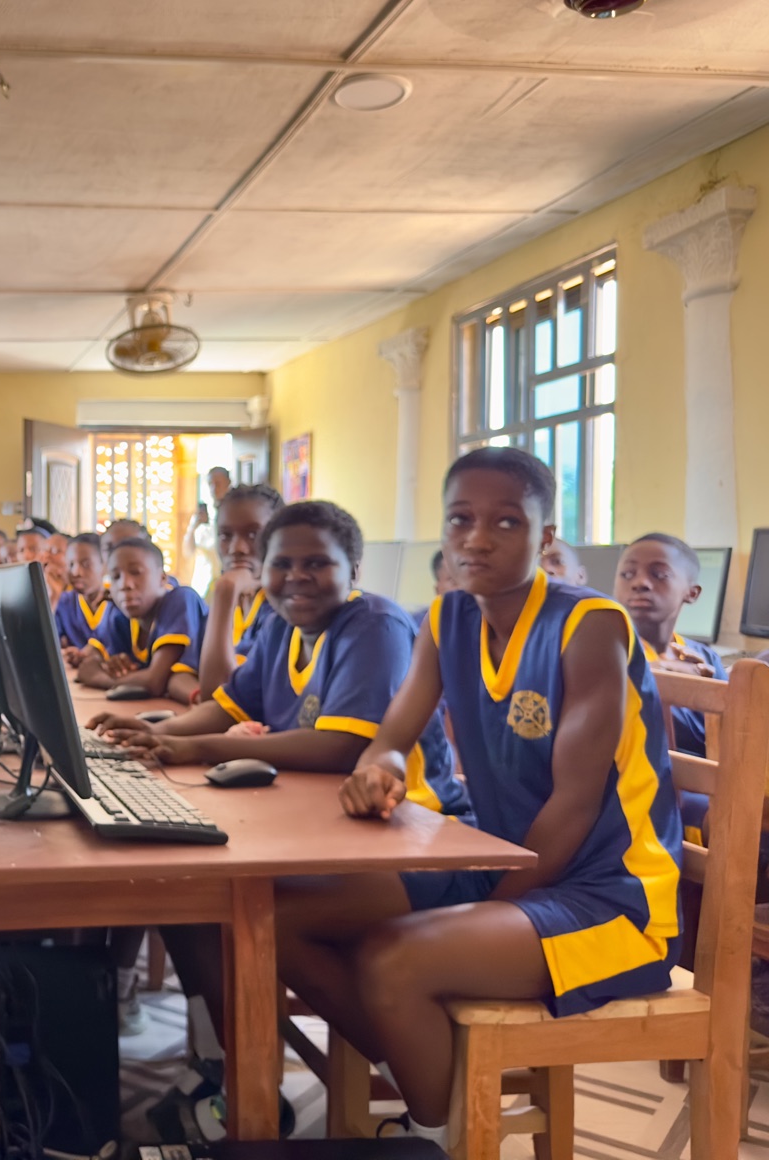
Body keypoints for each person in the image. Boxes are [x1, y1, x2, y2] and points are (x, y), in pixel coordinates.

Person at [281, 449, 681, 1147]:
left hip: (611, 899)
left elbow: (574, 807)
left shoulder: (590, 626)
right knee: (282, 919)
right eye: (460, 519)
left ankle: (436, 1136)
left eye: (505, 521)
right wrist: (379, 770)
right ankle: (437, 1077)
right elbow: (389, 737)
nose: (476, 538)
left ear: (545, 538)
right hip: (502, 861)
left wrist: (482, 906)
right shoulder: (446, 622)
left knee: (393, 957)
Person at [94, 502, 466, 807]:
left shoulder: (375, 625)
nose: (296, 576)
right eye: (281, 564)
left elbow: (339, 747)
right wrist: (155, 732)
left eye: (317, 563)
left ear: (353, 572)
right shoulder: (279, 626)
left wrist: (192, 748)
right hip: (318, 805)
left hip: (414, 816)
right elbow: (228, 706)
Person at [614, 533, 723, 846]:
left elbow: (730, 738)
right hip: (645, 794)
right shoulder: (609, 653)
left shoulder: (704, 659)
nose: (640, 583)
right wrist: (653, 679)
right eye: (627, 574)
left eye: (659, 575)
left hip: (707, 787)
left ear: (692, 592)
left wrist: (707, 690)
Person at [76, 538, 205, 703]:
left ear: (162, 579)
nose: (125, 584)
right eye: (115, 577)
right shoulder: (122, 617)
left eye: (136, 572)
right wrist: (110, 667)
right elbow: (92, 662)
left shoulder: (181, 599)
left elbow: (154, 681)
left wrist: (101, 679)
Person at [198, 484, 283, 700]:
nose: (237, 548)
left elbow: (220, 694)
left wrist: (225, 590)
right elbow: (181, 675)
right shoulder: (233, 606)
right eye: (225, 535)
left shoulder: (284, 611)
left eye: (253, 534)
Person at [53, 533, 116, 667]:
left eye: (86, 564)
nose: (76, 572)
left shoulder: (117, 601)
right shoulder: (64, 602)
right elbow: (50, 643)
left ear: (104, 566)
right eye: (70, 564)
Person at [182, 466, 233, 592]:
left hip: (227, 582)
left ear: (228, 484)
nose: (214, 488)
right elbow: (187, 552)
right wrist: (193, 528)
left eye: (218, 483)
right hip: (203, 583)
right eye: (210, 484)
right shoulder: (202, 514)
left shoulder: (235, 514)